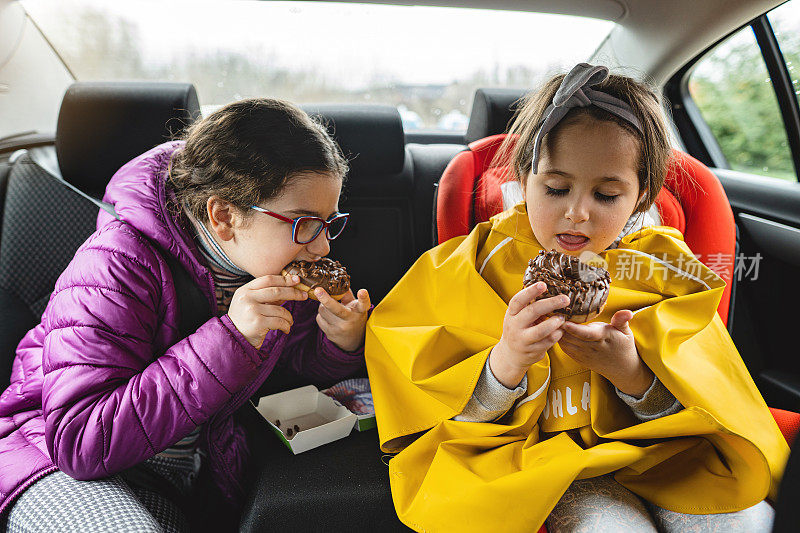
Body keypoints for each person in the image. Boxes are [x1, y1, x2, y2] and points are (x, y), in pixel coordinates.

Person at [365, 64, 788, 532]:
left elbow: (709, 405)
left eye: (606, 195)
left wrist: (631, 374)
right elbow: (429, 410)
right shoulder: (470, 267)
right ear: (524, 178)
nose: (577, 213)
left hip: (668, 454)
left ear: (641, 198)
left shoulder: (667, 271)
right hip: (552, 465)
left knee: (748, 522)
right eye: (556, 188)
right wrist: (505, 362)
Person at [0, 98, 371, 532]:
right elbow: (81, 442)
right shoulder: (114, 266)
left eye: (330, 222)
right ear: (224, 216)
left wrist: (339, 342)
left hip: (188, 469)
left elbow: (288, 369)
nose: (323, 246)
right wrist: (231, 339)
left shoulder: (265, 266)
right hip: (53, 463)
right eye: (304, 222)